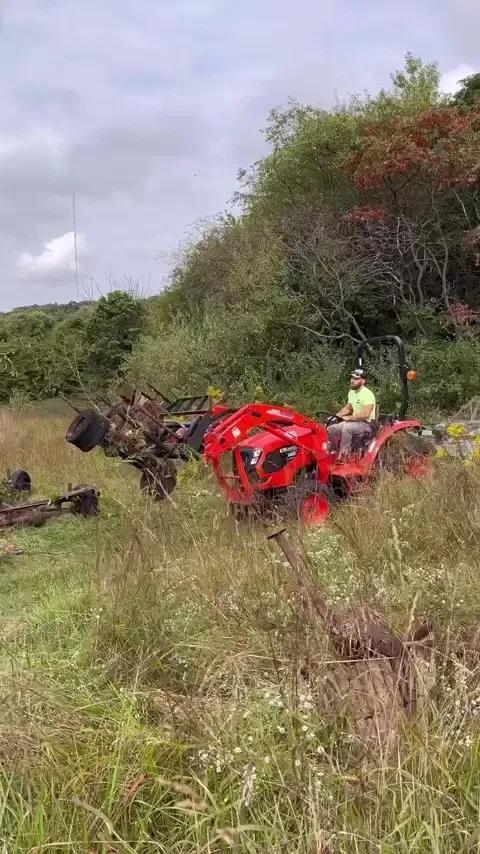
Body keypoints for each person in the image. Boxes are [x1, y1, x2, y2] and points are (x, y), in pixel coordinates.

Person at [327, 369, 376, 459]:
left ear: (363, 381)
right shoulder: (352, 392)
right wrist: (335, 417)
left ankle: (343, 456)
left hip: (365, 424)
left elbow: (366, 414)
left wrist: (348, 418)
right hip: (354, 422)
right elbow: (347, 408)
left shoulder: (368, 394)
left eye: (356, 379)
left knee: (347, 428)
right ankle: (331, 453)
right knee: (331, 428)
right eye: (352, 378)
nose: (352, 380)